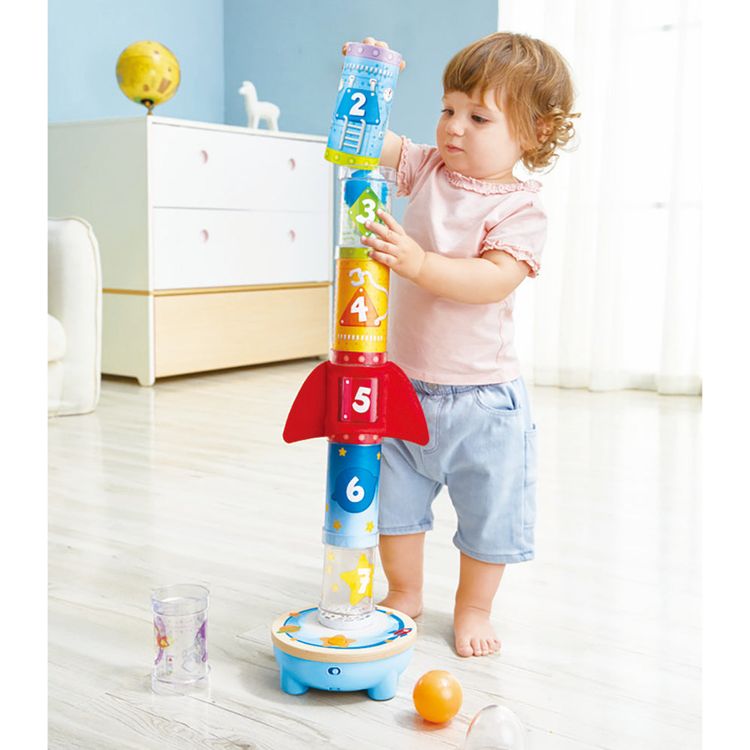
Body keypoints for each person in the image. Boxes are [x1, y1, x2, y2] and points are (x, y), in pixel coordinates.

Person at [352, 32, 578, 657]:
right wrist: (366, 81)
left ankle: (474, 607)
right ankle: (404, 593)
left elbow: (491, 280)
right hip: (403, 387)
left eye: (478, 117)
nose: (454, 126)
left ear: (534, 132)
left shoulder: (521, 208)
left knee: (488, 516)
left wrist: (420, 263)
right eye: (448, 108)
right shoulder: (426, 167)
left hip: (484, 403)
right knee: (393, 507)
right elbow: (359, 139)